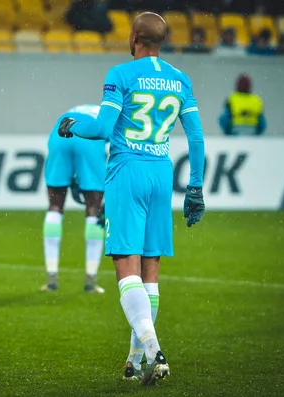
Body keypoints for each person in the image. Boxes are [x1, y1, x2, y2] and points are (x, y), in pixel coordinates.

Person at [57, 12, 205, 386]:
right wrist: (195, 188)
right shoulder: (180, 79)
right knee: (150, 272)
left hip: (127, 172)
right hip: (161, 172)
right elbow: (197, 139)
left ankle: (155, 352)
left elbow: (104, 128)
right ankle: (134, 361)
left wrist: (72, 126)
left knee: (126, 267)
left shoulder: (120, 74)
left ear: (134, 37)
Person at [42, 104, 106, 294]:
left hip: (60, 133)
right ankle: (90, 279)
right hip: (89, 138)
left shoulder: (75, 109)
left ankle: (51, 277)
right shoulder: (107, 115)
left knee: (54, 206)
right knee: (94, 210)